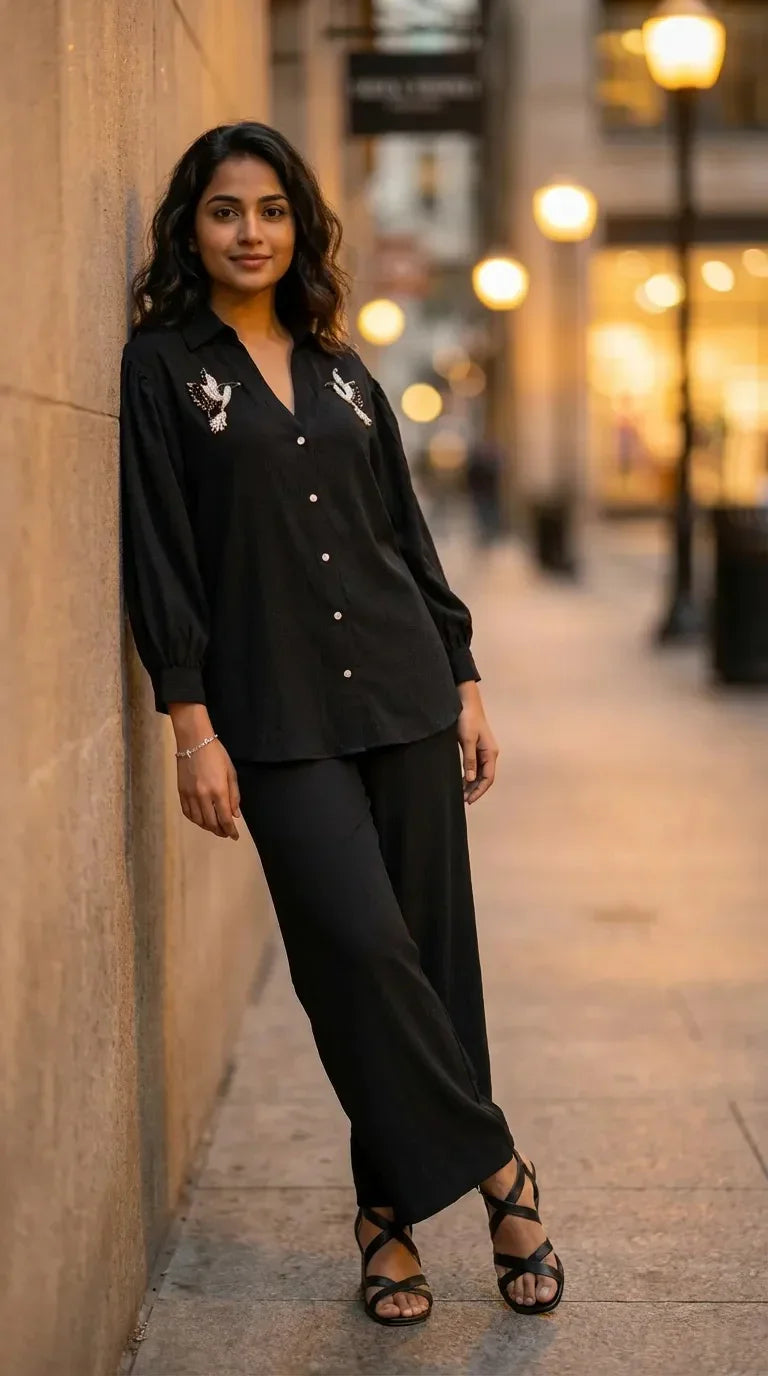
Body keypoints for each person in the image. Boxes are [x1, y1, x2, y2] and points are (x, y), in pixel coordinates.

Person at [119, 121, 563, 1327]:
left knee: (429, 962)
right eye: (225, 210)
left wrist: (465, 676)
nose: (250, 231)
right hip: (273, 717)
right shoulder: (162, 367)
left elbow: (404, 537)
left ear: (300, 225)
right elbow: (159, 553)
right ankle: (500, 1168)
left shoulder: (343, 369)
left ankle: (386, 1222)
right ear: (192, 227)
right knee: (356, 953)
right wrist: (188, 722)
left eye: (270, 209)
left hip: (406, 691)